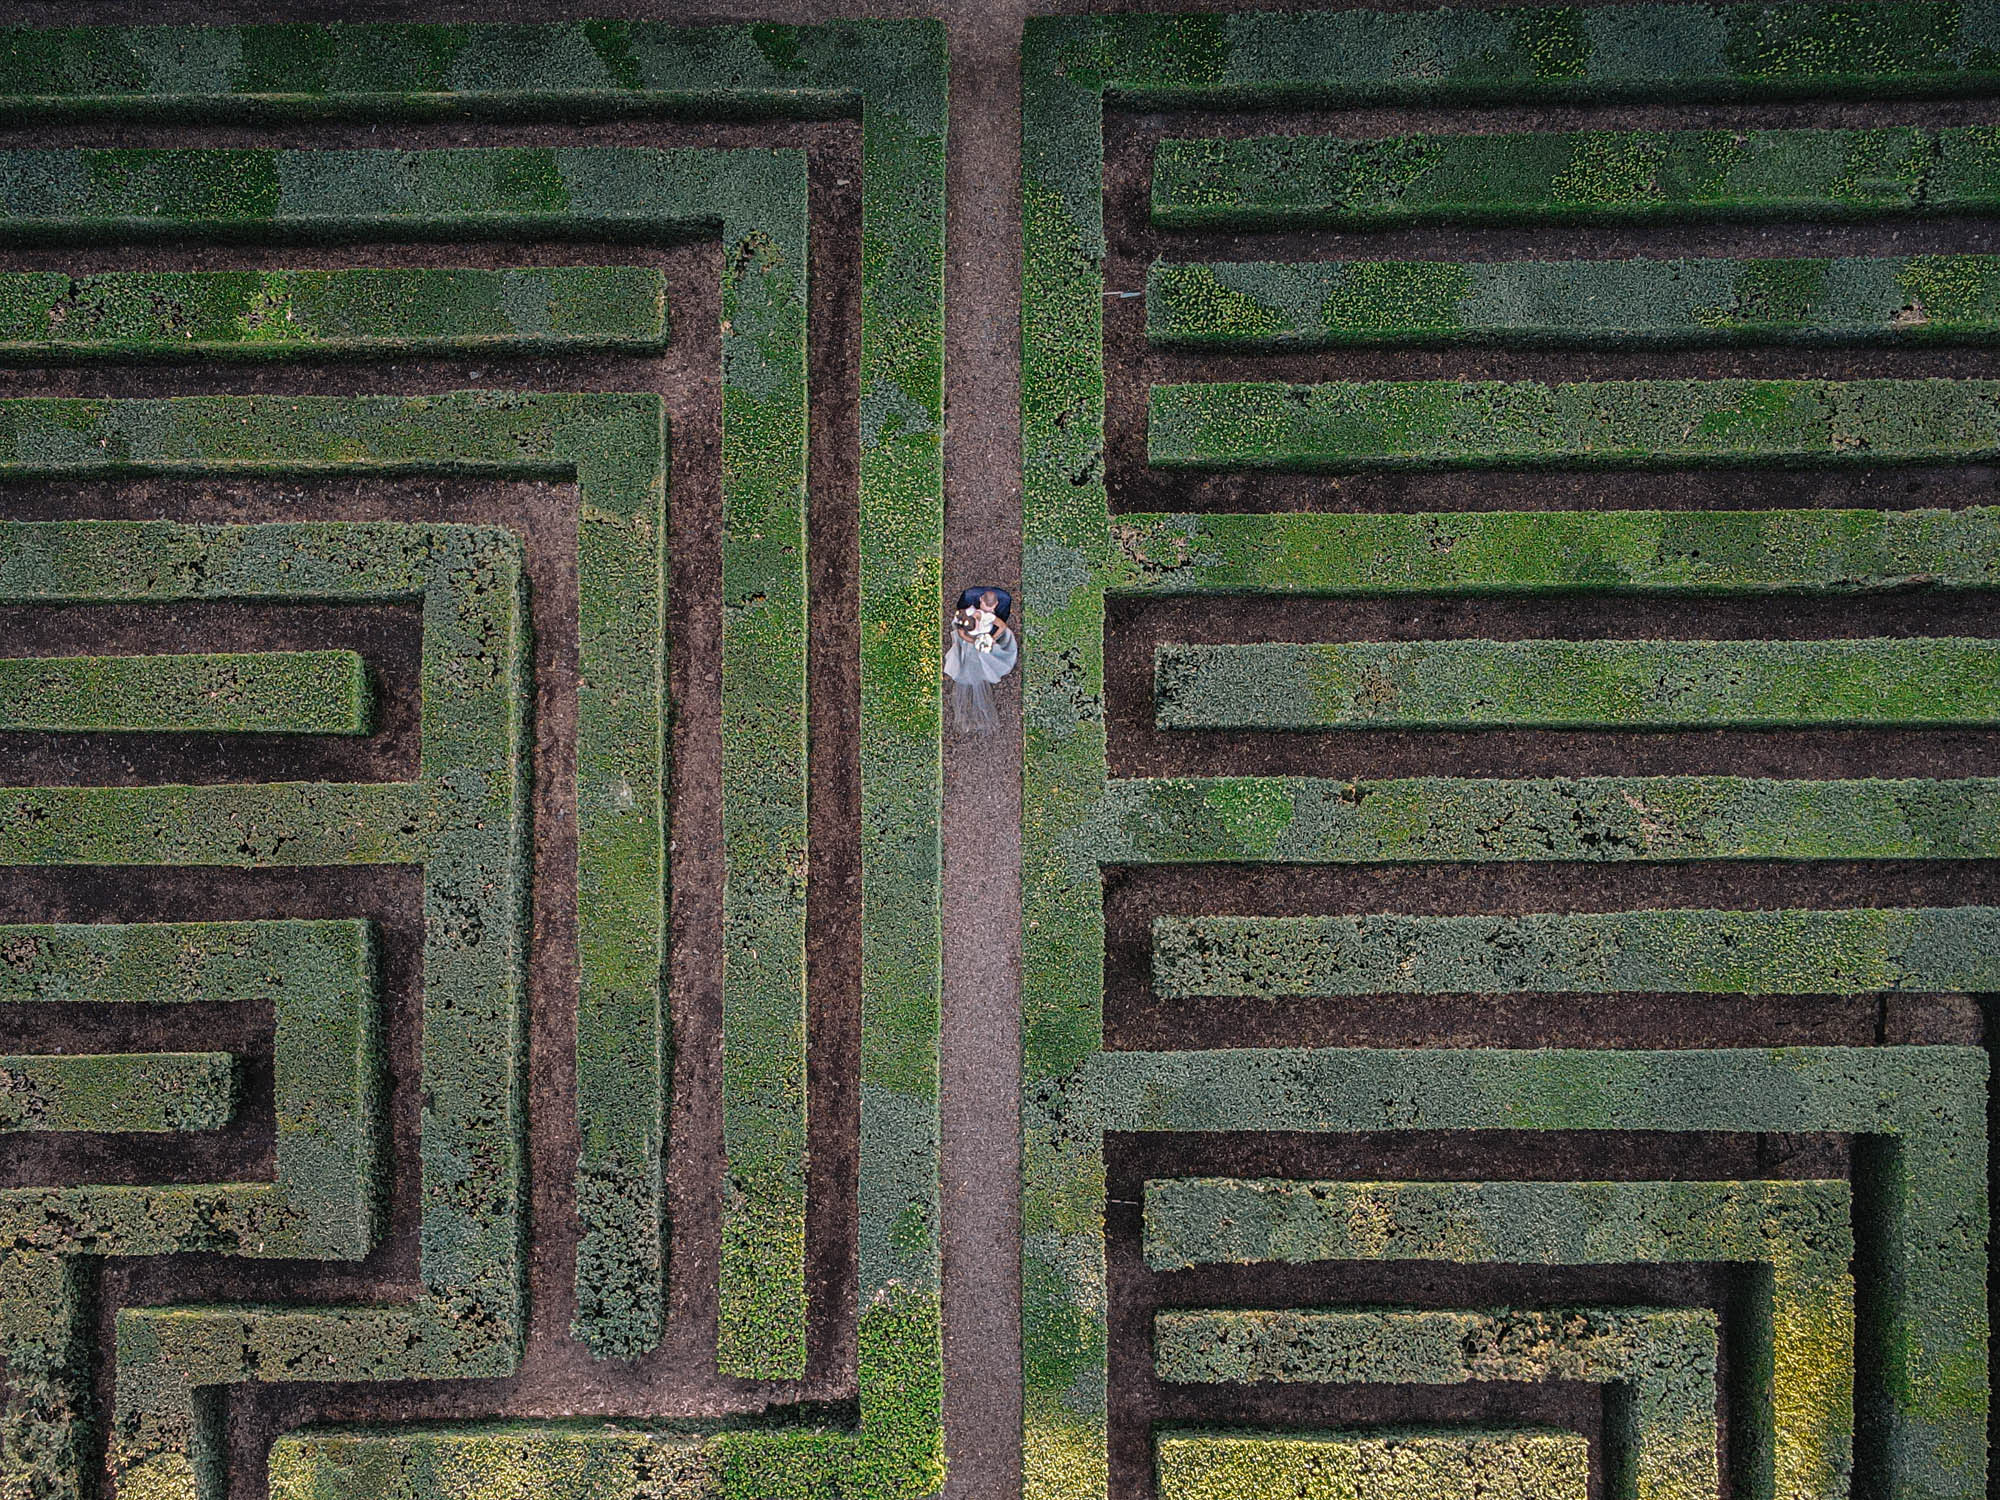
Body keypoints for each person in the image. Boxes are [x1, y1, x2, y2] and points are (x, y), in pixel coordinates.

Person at [944, 587, 1017, 737]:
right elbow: (961, 633)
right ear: (980, 601)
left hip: (981, 644)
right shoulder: (967, 613)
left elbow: (1002, 626)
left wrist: (991, 638)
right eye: (986, 606)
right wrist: (974, 641)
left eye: (991, 607)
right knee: (969, 669)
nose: (988, 610)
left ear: (995, 605)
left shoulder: (989, 616)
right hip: (970, 645)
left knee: (981, 665)